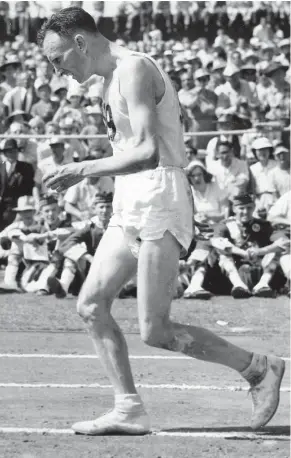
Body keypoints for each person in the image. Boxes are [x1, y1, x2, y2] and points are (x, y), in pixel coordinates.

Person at [39, 6, 285, 436]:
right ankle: (128, 408)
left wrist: (82, 169)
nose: (58, 70)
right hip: (131, 198)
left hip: (160, 194)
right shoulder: (108, 80)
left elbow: (149, 152)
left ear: (80, 42)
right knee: (91, 305)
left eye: (58, 59)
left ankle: (258, 368)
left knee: (156, 329)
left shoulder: (132, 69)